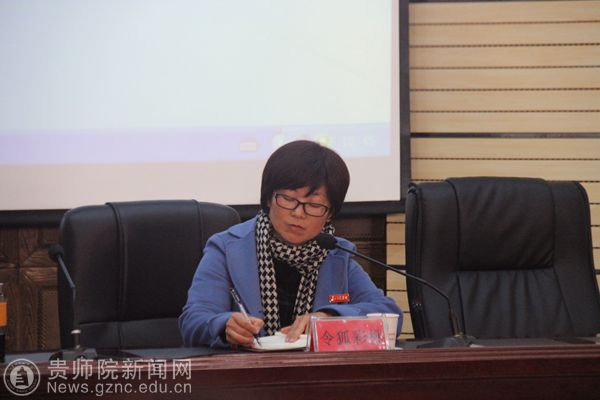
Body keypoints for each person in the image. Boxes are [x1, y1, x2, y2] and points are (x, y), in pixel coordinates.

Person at [179, 140, 402, 348]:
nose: (298, 213)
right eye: (288, 199)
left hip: (314, 371)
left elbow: (389, 314)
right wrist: (224, 325)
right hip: (245, 370)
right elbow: (193, 320)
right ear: (269, 198)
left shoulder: (335, 254)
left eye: (314, 205)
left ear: (329, 213)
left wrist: (330, 318)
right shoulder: (227, 248)